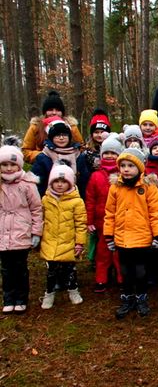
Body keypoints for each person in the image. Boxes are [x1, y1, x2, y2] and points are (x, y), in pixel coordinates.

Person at [103, 147, 158, 319]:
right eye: (122, 165)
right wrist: (109, 235)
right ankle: (127, 298)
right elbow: (109, 213)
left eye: (130, 165)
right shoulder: (115, 188)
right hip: (122, 238)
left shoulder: (148, 187)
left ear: (140, 167)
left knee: (140, 271)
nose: (126, 169)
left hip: (142, 238)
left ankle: (141, 298)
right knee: (125, 271)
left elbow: (156, 212)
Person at [0, 145, 43, 314]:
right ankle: (8, 298)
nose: (9, 168)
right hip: (3, 232)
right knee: (6, 269)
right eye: (4, 165)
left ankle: (21, 298)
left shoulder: (27, 184)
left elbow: (36, 209)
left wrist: (36, 232)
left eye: (12, 164)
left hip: (21, 231)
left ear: (19, 165)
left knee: (20, 268)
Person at [39, 164, 87, 309]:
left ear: (70, 183)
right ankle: (49, 293)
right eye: (56, 181)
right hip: (50, 241)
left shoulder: (77, 202)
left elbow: (81, 224)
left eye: (64, 181)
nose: (60, 185)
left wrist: (80, 242)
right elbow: (40, 219)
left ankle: (73, 290)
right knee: (51, 271)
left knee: (70, 269)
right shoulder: (46, 200)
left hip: (68, 241)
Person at [85, 133, 124, 293]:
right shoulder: (96, 176)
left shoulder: (123, 175)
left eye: (113, 153)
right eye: (106, 153)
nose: (109, 156)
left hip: (121, 221)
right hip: (102, 222)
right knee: (103, 252)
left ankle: (122, 279)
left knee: (120, 253)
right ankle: (101, 279)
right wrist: (90, 221)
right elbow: (90, 200)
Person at [22, 91, 84, 163]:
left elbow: (81, 148)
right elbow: (25, 151)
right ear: (45, 112)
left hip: (68, 166)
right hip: (43, 167)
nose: (54, 113)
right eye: (50, 110)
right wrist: (44, 156)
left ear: (62, 112)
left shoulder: (71, 127)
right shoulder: (35, 127)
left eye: (58, 110)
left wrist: (68, 155)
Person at [31, 118, 86, 197]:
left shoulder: (78, 156)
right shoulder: (43, 157)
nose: (61, 138)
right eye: (57, 135)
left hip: (75, 199)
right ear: (51, 138)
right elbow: (38, 183)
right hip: (49, 200)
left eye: (64, 135)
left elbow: (84, 180)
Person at [81, 109, 111, 174]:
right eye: (96, 132)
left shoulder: (113, 149)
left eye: (102, 132)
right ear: (92, 134)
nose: (99, 135)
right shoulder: (87, 152)